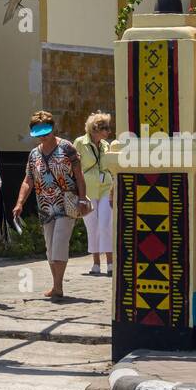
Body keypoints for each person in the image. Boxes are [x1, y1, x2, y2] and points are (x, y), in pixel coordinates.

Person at [13, 110, 90, 302]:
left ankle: (58, 285)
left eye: (45, 132)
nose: (43, 137)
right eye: (38, 133)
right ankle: (57, 286)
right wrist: (19, 203)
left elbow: (79, 177)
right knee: (49, 247)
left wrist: (82, 199)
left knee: (59, 243)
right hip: (45, 205)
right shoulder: (33, 155)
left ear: (52, 128)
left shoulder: (68, 148)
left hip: (66, 203)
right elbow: (28, 180)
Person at [75, 111, 115, 277]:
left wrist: (113, 189)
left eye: (108, 128)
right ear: (95, 129)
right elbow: (74, 167)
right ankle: (96, 263)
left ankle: (111, 264)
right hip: (88, 190)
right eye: (105, 128)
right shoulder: (80, 143)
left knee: (106, 224)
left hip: (105, 187)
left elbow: (112, 169)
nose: (108, 131)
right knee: (92, 226)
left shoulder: (106, 145)